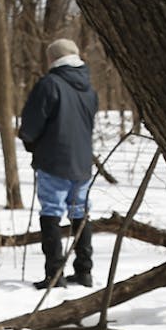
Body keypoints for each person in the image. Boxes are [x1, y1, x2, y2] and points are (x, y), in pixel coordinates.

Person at [18, 38, 98, 288]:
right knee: (80, 211)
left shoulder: (50, 84)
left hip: (54, 160)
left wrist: (30, 142)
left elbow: (32, 122)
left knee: (51, 212)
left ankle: (54, 273)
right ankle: (84, 271)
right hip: (82, 162)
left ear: (53, 58)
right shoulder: (89, 89)